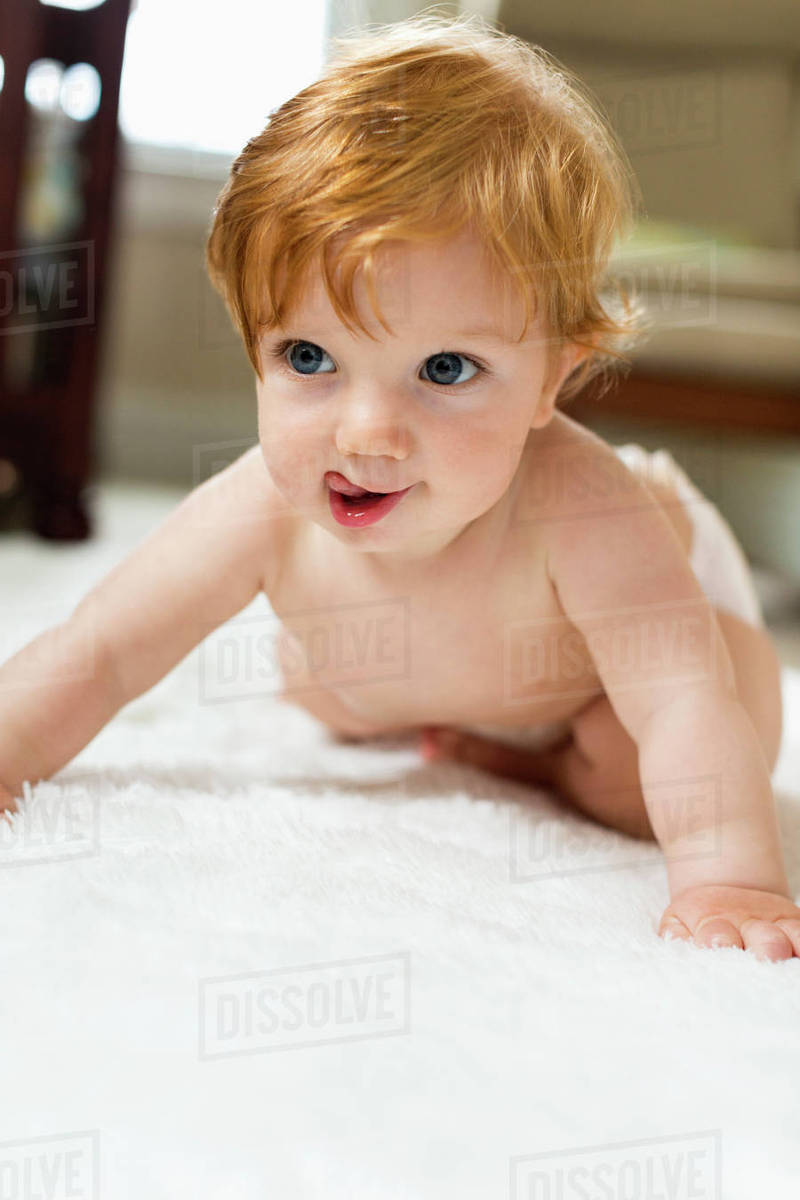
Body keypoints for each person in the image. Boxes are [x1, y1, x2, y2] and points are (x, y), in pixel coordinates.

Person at [1, 8, 796, 961]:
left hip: (651, 622)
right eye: (308, 357)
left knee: (671, 749)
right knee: (337, 676)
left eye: (447, 370)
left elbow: (678, 698)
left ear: (554, 378)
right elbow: (102, 649)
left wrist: (730, 878)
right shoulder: (260, 507)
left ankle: (526, 759)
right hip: (424, 653)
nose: (367, 432)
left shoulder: (582, 506)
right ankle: (457, 717)